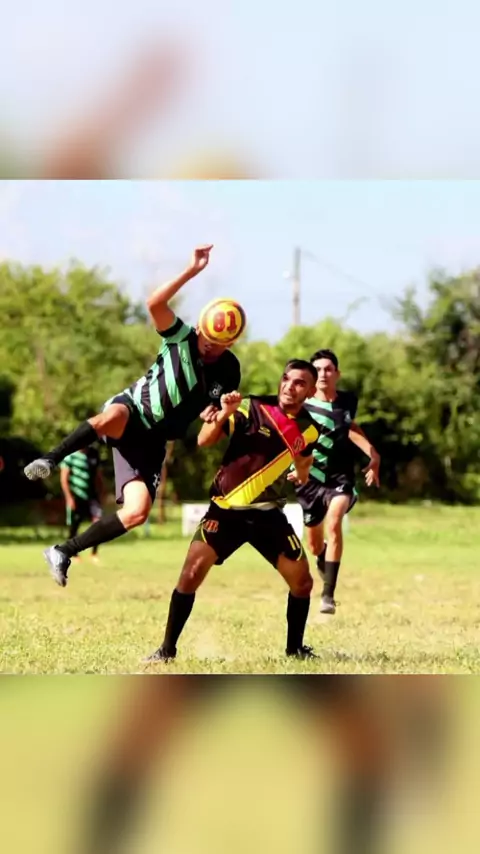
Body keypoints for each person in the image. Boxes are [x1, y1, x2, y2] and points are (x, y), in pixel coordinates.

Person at [24, 245, 241, 588]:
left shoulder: (229, 371)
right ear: (200, 328)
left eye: (221, 344)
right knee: (111, 417)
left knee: (137, 512)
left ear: (231, 343)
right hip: (135, 409)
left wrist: (224, 411)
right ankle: (50, 459)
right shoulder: (180, 337)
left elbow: (207, 425)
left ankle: (63, 551)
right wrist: (191, 271)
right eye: (209, 340)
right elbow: (154, 304)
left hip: (153, 441)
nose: (212, 348)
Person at [144, 359, 323, 664]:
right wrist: (225, 413)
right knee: (190, 575)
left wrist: (303, 473)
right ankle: (166, 651)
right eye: (286, 379)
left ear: (310, 391)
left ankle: (295, 650)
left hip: (268, 515)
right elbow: (203, 440)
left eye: (299, 383)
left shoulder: (309, 429)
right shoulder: (251, 407)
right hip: (225, 511)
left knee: (303, 583)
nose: (289, 387)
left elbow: (304, 455)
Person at [295, 349, 381, 615]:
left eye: (328, 369)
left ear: (337, 374)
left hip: (340, 478)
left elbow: (350, 427)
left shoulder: (347, 401)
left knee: (334, 522)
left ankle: (328, 596)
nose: (323, 374)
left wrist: (373, 454)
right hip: (309, 480)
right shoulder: (301, 405)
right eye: (317, 370)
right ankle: (323, 558)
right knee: (313, 544)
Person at [59, 446, 104, 563]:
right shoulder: (70, 456)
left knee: (98, 523)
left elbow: (98, 475)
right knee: (75, 525)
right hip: (76, 496)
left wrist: (101, 493)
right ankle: (72, 553)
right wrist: (69, 498)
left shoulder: (94, 454)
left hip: (92, 496)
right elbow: (64, 479)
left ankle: (94, 553)